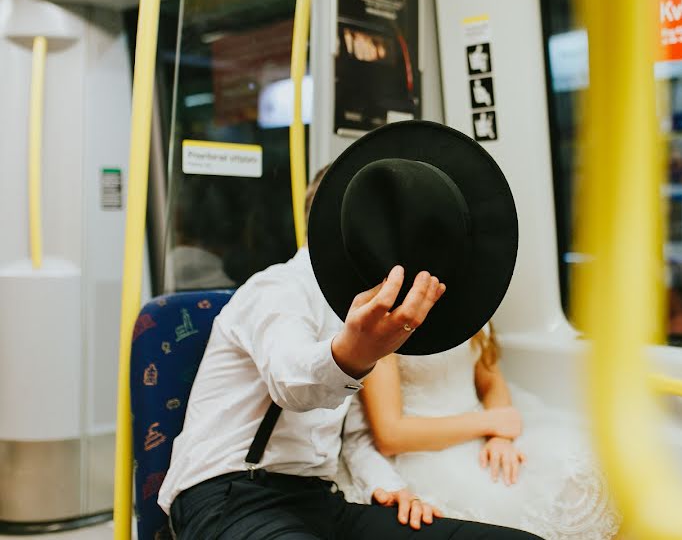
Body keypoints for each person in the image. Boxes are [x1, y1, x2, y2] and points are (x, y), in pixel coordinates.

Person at [158, 121, 542, 539]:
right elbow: (291, 380)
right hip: (228, 494)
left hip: (321, 500)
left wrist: (394, 489)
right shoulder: (276, 290)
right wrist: (353, 354)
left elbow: (353, 437)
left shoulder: (365, 309)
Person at [340, 322, 622, 540]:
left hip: (486, 429)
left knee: (582, 461)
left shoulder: (474, 299)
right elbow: (391, 434)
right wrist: (490, 423)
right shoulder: (384, 327)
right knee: (500, 504)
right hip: (424, 447)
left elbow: (490, 381)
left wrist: (500, 438)